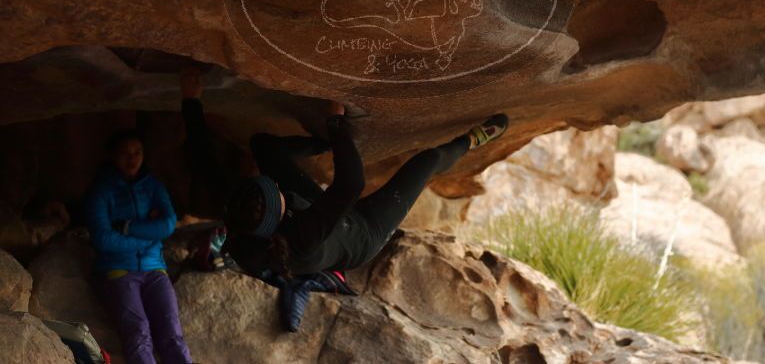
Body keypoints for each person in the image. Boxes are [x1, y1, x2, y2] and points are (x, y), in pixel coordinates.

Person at [178, 69, 508, 278]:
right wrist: (337, 126)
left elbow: (203, 158)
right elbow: (351, 184)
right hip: (361, 232)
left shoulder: (235, 208)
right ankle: (472, 139)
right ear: (281, 213)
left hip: (314, 210)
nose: (277, 184)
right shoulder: (299, 239)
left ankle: (318, 143)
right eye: (276, 190)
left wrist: (190, 100)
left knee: (262, 147)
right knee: (426, 161)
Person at [85, 129, 192, 364]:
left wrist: (125, 227)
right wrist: (148, 234)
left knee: (173, 334)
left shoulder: (152, 185)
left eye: (137, 152)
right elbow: (102, 239)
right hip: (118, 271)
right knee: (138, 332)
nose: (132, 159)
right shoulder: (101, 191)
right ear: (113, 156)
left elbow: (167, 224)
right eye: (124, 153)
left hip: (155, 269)